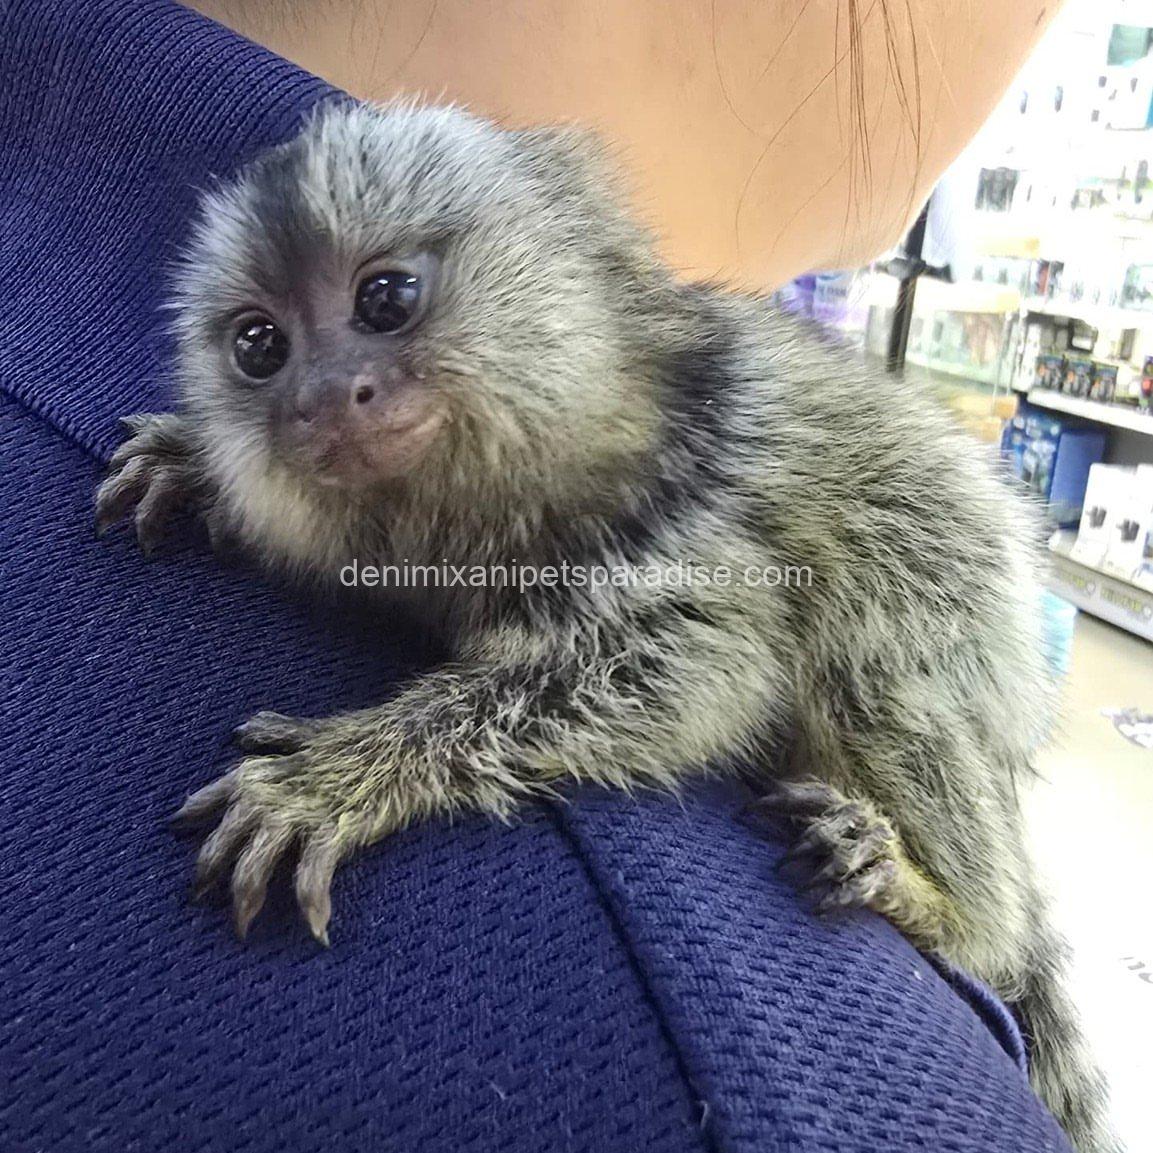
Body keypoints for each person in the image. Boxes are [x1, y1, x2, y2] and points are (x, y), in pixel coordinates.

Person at [0, 1, 1074, 1150]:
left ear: (557, 247)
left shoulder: (650, 426)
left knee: (886, 680)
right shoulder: (797, 1081)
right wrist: (223, 465)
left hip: (895, 612)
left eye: (386, 302)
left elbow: (674, 667)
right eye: (261, 350)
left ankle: (958, 901)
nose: (330, 392)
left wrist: (376, 765)